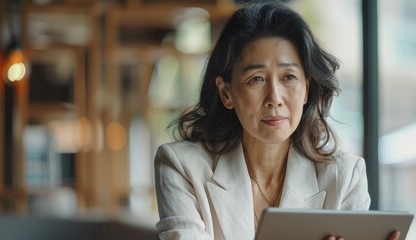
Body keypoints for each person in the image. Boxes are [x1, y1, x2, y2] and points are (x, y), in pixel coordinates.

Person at [154, 1, 400, 240]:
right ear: (226, 93)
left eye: (289, 77)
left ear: (306, 89)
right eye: (256, 79)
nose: (274, 98)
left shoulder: (344, 177)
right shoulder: (181, 166)